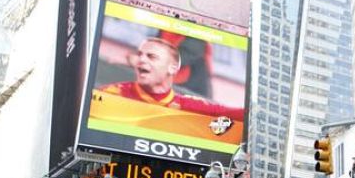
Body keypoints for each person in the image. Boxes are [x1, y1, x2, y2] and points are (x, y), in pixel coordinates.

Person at [99, 37, 245, 121]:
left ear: (172, 67)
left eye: (150, 57)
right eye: (140, 55)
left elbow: (224, 112)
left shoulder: (188, 103)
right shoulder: (113, 92)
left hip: (191, 87)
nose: (142, 60)